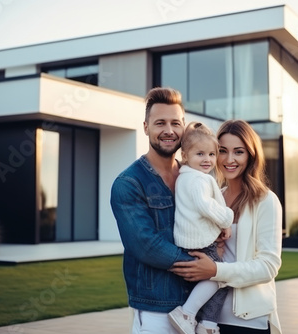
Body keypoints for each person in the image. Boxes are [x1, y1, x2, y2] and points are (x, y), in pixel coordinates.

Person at [170, 119, 283, 334]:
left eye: (238, 152)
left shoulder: (266, 201)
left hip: (248, 321)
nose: (229, 159)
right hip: (207, 321)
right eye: (222, 151)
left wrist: (216, 270)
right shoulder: (214, 197)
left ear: (250, 155)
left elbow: (268, 266)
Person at [110, 87, 195, 333]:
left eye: (175, 123)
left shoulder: (194, 176)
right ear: (146, 127)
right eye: (160, 123)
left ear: (184, 127)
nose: (169, 131)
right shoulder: (128, 183)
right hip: (156, 308)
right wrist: (202, 267)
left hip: (196, 306)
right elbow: (146, 245)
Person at [168, 122, 234, 334]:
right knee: (222, 276)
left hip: (190, 239)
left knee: (218, 282)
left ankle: (207, 325)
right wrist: (226, 219)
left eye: (212, 154)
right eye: (200, 154)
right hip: (201, 241)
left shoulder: (185, 176)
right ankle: (187, 313)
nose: (207, 160)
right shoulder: (199, 180)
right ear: (185, 155)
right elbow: (206, 206)